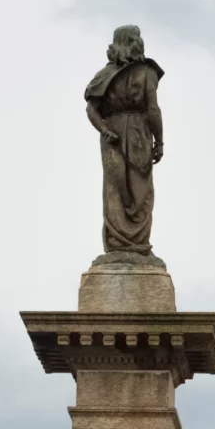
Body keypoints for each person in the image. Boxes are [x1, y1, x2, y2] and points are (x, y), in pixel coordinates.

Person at [84, 25, 165, 256]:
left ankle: (119, 244)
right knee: (136, 190)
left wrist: (104, 129)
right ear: (134, 42)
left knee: (115, 188)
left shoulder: (104, 75)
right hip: (137, 132)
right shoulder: (146, 72)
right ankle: (135, 245)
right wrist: (159, 142)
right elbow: (152, 109)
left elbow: (91, 109)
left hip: (112, 134)